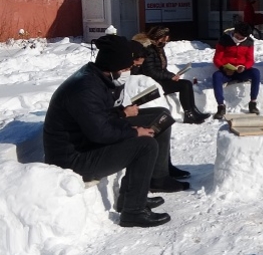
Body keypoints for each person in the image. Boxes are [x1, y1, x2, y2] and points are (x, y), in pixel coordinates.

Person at [43, 34, 171, 228]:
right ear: (112, 67)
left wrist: (122, 114)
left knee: (159, 117)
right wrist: (133, 132)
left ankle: (135, 195)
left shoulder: (98, 78)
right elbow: (100, 133)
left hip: (88, 142)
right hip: (73, 159)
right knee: (145, 144)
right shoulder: (84, 89)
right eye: (126, 68)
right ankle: (133, 212)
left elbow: (99, 117)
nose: (129, 72)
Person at [125, 39, 191, 181]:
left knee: (164, 116)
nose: (137, 65)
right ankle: (159, 176)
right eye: (136, 63)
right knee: (159, 120)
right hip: (120, 116)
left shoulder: (153, 52)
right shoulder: (120, 71)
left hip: (126, 109)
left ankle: (165, 166)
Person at [139, 26, 209, 124]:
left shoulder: (158, 48)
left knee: (187, 83)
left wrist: (171, 75)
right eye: (163, 39)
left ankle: (194, 111)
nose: (165, 42)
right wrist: (169, 77)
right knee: (184, 86)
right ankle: (188, 114)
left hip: (160, 79)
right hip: (154, 83)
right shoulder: (149, 50)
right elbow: (151, 72)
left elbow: (162, 69)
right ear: (158, 37)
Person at [211, 22, 261, 120]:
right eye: (238, 37)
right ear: (234, 32)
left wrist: (244, 67)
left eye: (242, 38)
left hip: (241, 71)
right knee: (216, 76)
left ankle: (253, 103)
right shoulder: (224, 39)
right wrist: (223, 68)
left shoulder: (249, 42)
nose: (239, 39)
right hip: (226, 71)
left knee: (256, 72)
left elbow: (250, 59)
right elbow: (217, 58)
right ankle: (221, 106)